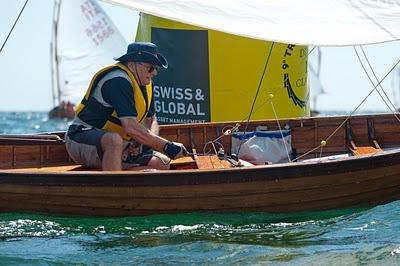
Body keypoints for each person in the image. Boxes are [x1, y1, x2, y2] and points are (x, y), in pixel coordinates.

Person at [64, 42, 188, 171]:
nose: (155, 72)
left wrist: (140, 141)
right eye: (150, 67)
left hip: (122, 143)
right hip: (79, 140)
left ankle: (124, 175)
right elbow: (130, 126)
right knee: (114, 140)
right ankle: (114, 184)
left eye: (156, 68)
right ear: (132, 65)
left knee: (162, 163)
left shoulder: (146, 83)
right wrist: (166, 146)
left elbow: (151, 120)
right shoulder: (117, 81)